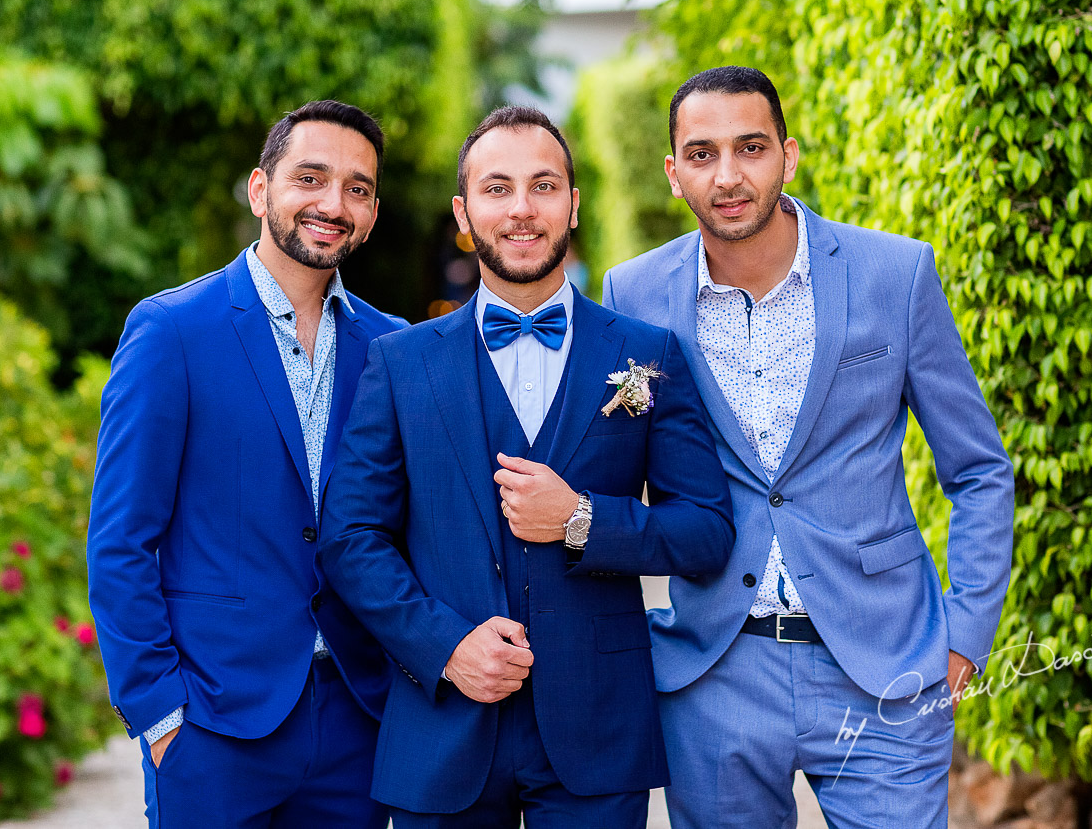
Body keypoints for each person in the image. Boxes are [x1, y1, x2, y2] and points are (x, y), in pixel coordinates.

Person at [603, 66, 1015, 829]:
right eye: (701, 154)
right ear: (673, 173)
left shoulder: (895, 274)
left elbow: (979, 468)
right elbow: (616, 477)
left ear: (788, 157)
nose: (728, 176)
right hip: (714, 674)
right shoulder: (635, 293)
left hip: (884, 662)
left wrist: (967, 637)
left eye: (750, 147)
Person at [318, 105, 735, 828]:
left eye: (544, 187)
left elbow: (704, 529)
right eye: (497, 188)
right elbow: (350, 537)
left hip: (598, 731)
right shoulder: (400, 362)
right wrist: (445, 645)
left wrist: (582, 520)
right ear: (465, 210)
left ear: (573, 206)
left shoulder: (646, 355)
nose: (521, 210)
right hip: (442, 726)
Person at [87, 100, 407, 829]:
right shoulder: (171, 331)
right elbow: (120, 540)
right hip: (211, 725)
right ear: (261, 190)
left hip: (357, 724)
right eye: (311, 178)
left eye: (357, 188)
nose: (333, 203)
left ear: (374, 212)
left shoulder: (394, 349)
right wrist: (160, 716)